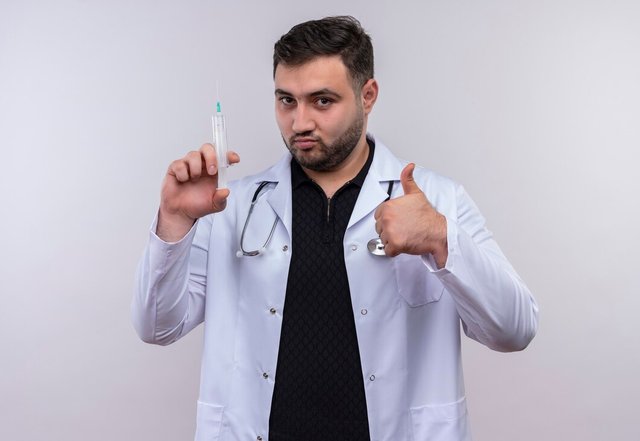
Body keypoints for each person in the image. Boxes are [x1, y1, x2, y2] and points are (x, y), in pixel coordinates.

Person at [132, 15, 538, 441]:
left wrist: (442, 239)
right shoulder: (233, 207)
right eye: (286, 100)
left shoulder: (439, 201)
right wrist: (175, 223)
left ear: (368, 95)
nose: (299, 123)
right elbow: (157, 327)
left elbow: (514, 329)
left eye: (322, 101)